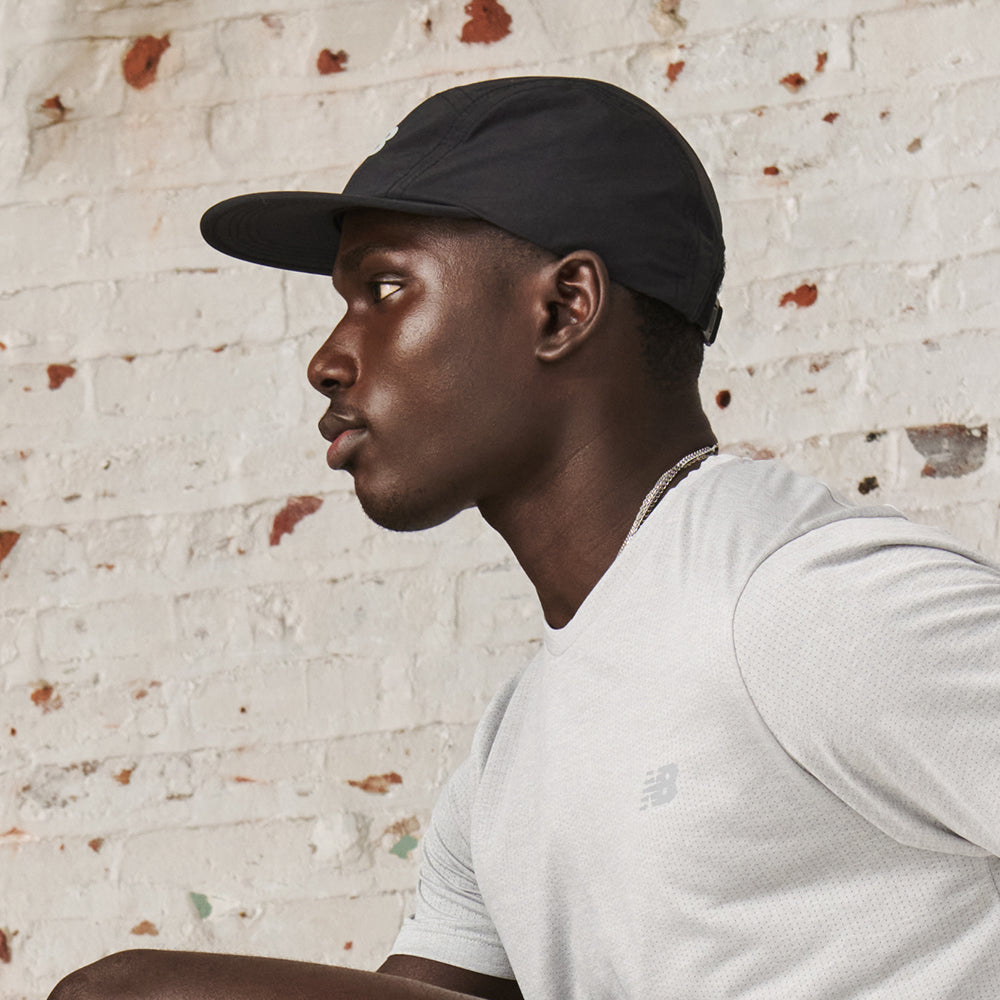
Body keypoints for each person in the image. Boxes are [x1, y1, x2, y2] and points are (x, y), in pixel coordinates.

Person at [50, 76, 1000, 1000]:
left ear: (563, 308)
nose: (328, 359)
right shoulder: (512, 752)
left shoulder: (806, 606)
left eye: (386, 288)